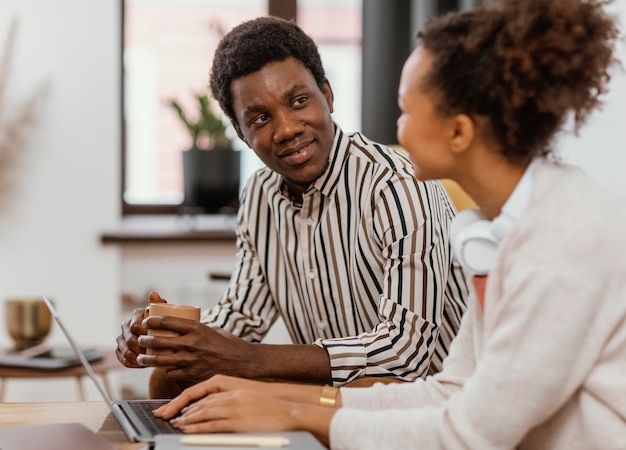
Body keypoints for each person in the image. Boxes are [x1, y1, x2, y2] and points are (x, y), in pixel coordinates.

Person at [152, 0, 626, 448]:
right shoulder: (496, 230)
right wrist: (275, 399)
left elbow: (468, 434)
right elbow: (450, 392)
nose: (395, 131)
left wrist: (292, 412)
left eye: (405, 111)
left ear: (458, 131)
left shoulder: (563, 238)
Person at [116, 16, 469, 394]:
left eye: (299, 101)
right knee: (172, 393)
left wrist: (250, 360)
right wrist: (175, 338)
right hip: (333, 409)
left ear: (328, 95)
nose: (286, 130)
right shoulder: (260, 195)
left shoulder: (398, 186)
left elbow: (405, 355)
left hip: (434, 415)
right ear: (241, 133)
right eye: (261, 118)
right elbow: (243, 318)